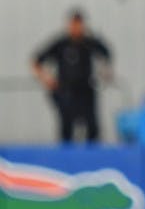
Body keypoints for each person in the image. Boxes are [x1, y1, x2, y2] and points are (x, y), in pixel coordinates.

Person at [31, 9, 113, 144]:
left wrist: (105, 73)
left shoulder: (89, 42)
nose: (76, 28)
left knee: (92, 127)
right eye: (74, 24)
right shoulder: (61, 44)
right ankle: (65, 159)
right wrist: (47, 79)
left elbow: (106, 56)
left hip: (86, 91)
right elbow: (36, 61)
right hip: (66, 92)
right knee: (66, 128)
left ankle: (92, 157)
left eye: (79, 24)